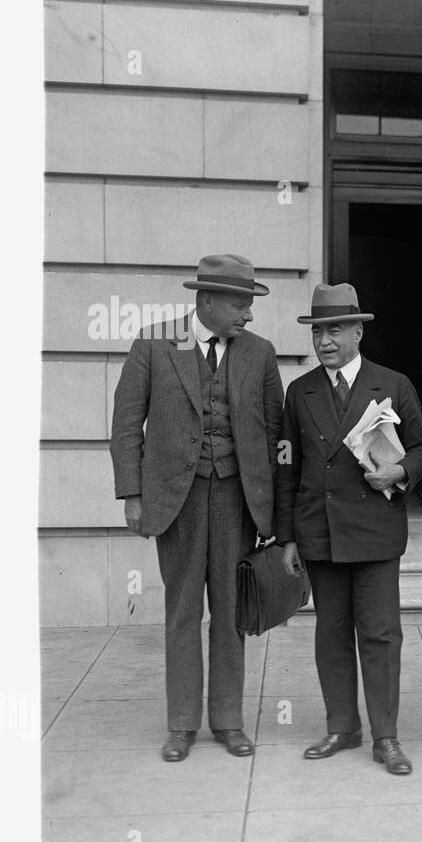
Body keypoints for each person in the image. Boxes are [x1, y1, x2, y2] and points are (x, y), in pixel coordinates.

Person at [110, 253, 283, 762]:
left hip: (238, 498)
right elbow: (126, 426)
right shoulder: (154, 342)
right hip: (176, 502)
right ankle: (181, 724)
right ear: (205, 301)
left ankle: (228, 722)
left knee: (232, 614)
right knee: (182, 610)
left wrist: (272, 511)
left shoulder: (261, 352)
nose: (248, 315)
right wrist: (133, 495)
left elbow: (275, 435)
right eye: (240, 304)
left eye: (250, 305)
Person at [276, 283, 422, 774]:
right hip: (319, 531)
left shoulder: (393, 384)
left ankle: (386, 736)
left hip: (374, 532)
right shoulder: (299, 392)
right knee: (331, 634)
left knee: (382, 635)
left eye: (336, 329)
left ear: (359, 330)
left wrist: (399, 471)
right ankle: (342, 726)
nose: (325, 340)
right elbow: (288, 466)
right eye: (318, 330)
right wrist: (287, 537)